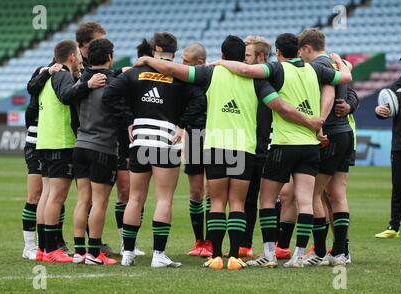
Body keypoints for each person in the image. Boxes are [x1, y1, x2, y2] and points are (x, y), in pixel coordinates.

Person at [135, 35, 325, 270]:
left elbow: (171, 69)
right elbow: (280, 106)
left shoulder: (209, 73)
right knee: (237, 203)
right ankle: (234, 257)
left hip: (215, 144)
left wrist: (146, 59)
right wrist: (310, 121)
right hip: (243, 147)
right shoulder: (256, 80)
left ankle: (215, 257)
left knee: (216, 202)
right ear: (241, 58)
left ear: (223, 56)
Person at [212, 33, 352, 268]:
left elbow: (246, 72)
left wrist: (221, 62)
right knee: (306, 201)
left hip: (284, 144)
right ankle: (298, 256)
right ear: (299, 50)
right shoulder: (314, 70)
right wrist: (343, 63)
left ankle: (269, 254)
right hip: (310, 146)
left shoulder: (277, 70)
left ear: (277, 52)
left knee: (266, 199)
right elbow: (345, 77)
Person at [103, 32, 201, 268]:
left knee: (135, 198)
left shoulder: (135, 72)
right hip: (166, 139)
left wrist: (128, 120)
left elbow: (109, 95)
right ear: (174, 53)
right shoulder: (180, 76)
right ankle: (158, 255)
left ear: (154, 50)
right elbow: (200, 101)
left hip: (139, 139)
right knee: (164, 199)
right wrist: (182, 124)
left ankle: (127, 254)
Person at [35, 40, 106, 263]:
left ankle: (42, 249)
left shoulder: (47, 75)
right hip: (61, 141)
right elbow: (67, 96)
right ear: (73, 56)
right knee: (57, 196)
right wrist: (88, 85)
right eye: (78, 55)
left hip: (45, 140)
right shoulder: (63, 74)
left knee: (47, 194)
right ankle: (51, 251)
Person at [298, 28, 358, 266]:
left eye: (301, 52)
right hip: (346, 132)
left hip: (330, 133)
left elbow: (330, 94)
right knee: (337, 193)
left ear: (306, 48)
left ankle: (321, 252)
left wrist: (320, 123)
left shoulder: (316, 67)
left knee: (314, 194)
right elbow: (349, 87)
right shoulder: (338, 63)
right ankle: (341, 252)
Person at [72, 38, 120, 265]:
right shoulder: (113, 84)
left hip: (80, 145)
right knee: (99, 202)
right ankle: (94, 252)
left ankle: (79, 252)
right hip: (103, 147)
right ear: (110, 57)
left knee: (83, 200)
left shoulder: (82, 81)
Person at [113, 39, 152, 257]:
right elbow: (114, 98)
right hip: (125, 138)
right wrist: (128, 120)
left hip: (143, 138)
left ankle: (130, 243)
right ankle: (124, 243)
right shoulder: (129, 76)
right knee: (127, 193)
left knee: (134, 194)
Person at [21, 62, 62, 260]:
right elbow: (32, 87)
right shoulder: (43, 71)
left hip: (54, 140)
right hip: (37, 139)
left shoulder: (67, 74)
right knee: (36, 195)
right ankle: (30, 246)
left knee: (56, 195)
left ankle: (49, 244)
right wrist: (46, 73)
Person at [375, 48, 401, 238]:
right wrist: (379, 111)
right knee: (398, 187)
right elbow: (387, 110)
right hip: (400, 145)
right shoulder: (394, 88)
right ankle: (393, 227)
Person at [239, 35, 272, 258]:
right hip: (249, 147)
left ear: (260, 57)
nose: (243, 60)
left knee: (276, 199)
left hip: (273, 146)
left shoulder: (276, 77)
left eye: (247, 56)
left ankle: (276, 246)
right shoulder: (243, 79)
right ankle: (245, 244)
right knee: (247, 198)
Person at [180, 42, 213, 257]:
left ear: (199, 63)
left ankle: (210, 242)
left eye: (185, 61)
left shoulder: (213, 77)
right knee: (195, 192)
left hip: (212, 136)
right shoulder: (183, 80)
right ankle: (198, 241)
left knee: (212, 192)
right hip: (192, 136)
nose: (181, 65)